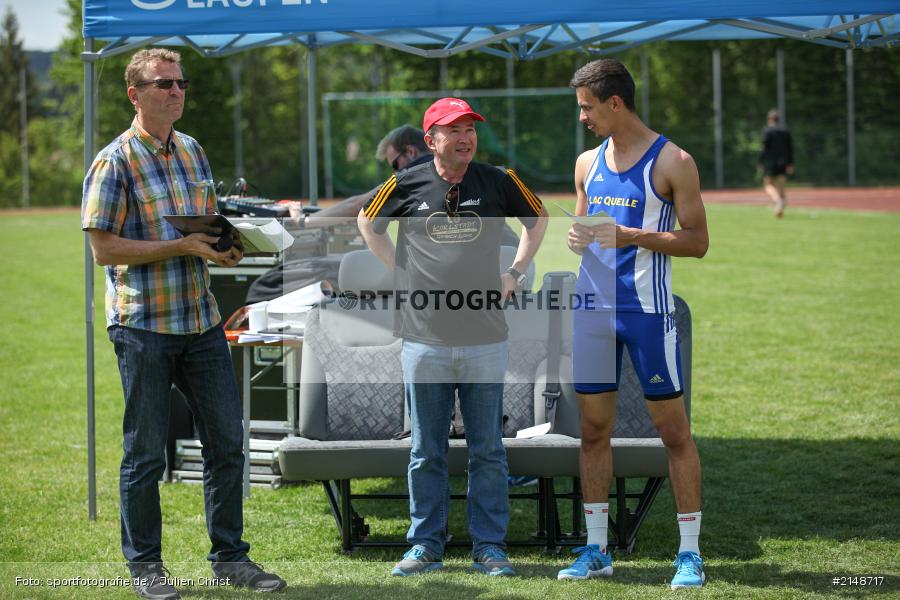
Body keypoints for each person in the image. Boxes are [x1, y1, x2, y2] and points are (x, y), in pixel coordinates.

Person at [81, 48, 286, 600]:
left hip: (200, 322)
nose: (175, 92)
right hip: (143, 325)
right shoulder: (114, 161)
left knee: (227, 444)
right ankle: (147, 567)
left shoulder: (193, 150)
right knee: (146, 452)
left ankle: (230, 560)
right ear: (135, 93)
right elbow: (103, 249)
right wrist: (182, 245)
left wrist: (228, 245)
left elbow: (206, 222)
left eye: (181, 83)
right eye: (163, 83)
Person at [357, 97, 548, 577]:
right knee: (426, 450)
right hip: (424, 340)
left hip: (486, 337)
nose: (465, 137)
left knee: (488, 449)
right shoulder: (405, 182)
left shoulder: (499, 180)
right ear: (431, 140)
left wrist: (516, 272)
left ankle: (489, 547)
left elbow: (538, 218)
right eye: (453, 129)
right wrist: (399, 273)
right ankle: (426, 545)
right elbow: (367, 222)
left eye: (470, 128)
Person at [560, 58, 709, 590]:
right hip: (591, 312)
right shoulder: (586, 163)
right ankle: (596, 548)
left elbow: (697, 242)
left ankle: (688, 553)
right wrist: (579, 236)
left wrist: (632, 236)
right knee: (593, 430)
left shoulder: (674, 161)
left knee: (673, 432)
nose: (582, 118)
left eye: (587, 108)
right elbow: (583, 228)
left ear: (615, 103)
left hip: (648, 313)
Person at [758, 108, 794, 218]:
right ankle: (780, 207)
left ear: (769, 119)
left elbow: (764, 148)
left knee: (768, 184)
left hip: (771, 162)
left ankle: (778, 201)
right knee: (781, 186)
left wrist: (760, 161)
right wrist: (791, 163)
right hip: (784, 162)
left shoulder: (768, 131)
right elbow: (790, 149)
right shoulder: (786, 131)